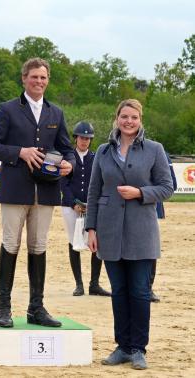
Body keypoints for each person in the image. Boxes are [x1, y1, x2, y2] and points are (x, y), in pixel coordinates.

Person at [0, 57, 75, 328]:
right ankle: (4, 306)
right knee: (11, 244)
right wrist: (19, 152)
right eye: (34, 77)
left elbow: (66, 146)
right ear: (24, 78)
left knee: (39, 246)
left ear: (48, 80)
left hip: (45, 190)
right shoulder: (8, 109)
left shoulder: (55, 113)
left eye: (43, 77)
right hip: (15, 188)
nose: (39, 81)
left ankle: (36, 307)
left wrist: (68, 161)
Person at [86, 99, 174, 370]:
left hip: (141, 231)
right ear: (117, 118)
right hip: (109, 229)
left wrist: (140, 193)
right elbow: (93, 191)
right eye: (124, 116)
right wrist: (91, 228)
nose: (129, 122)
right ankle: (122, 346)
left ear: (140, 120)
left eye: (134, 117)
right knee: (119, 291)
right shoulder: (102, 151)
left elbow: (167, 187)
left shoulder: (154, 150)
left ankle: (138, 348)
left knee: (139, 292)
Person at [60, 121, 110, 297]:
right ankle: (79, 284)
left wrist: (92, 204)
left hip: (91, 206)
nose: (85, 141)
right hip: (70, 206)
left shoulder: (96, 158)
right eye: (82, 137)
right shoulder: (68, 158)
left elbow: (99, 183)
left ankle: (94, 284)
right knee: (74, 243)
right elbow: (63, 184)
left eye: (88, 138)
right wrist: (73, 203)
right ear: (76, 138)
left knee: (96, 242)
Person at [151, 152, 177, 302]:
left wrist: (144, 193)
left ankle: (147, 287)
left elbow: (171, 184)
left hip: (149, 207)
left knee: (148, 248)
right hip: (121, 208)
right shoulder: (115, 151)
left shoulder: (157, 152)